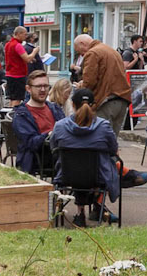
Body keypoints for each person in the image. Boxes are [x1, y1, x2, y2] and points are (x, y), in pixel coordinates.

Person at [50, 94, 121, 222]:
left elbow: (54, 149)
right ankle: (99, 208)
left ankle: (82, 212)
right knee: (108, 165)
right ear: (94, 105)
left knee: (78, 167)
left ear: (72, 104)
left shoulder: (60, 126)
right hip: (99, 176)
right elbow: (112, 149)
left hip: (66, 175)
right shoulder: (104, 126)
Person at [73, 33, 131, 130]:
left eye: (80, 52)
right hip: (122, 100)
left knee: (100, 138)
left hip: (105, 100)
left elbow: (89, 82)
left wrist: (81, 86)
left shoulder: (92, 53)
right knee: (112, 140)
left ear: (83, 43)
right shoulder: (112, 51)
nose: (82, 55)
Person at [10, 70, 59, 176]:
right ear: (28, 89)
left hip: (61, 154)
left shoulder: (54, 108)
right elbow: (31, 143)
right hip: (38, 158)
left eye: (46, 86)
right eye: (38, 86)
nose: (43, 90)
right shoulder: (21, 115)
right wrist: (50, 134)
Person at [3, 26, 39, 104]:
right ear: (19, 34)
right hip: (18, 75)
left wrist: (30, 58)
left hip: (9, 74)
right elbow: (27, 59)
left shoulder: (8, 44)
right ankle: (14, 115)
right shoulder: (18, 45)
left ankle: (10, 114)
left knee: (12, 99)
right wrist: (34, 52)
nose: (26, 37)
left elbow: (14, 57)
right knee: (17, 99)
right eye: (25, 34)